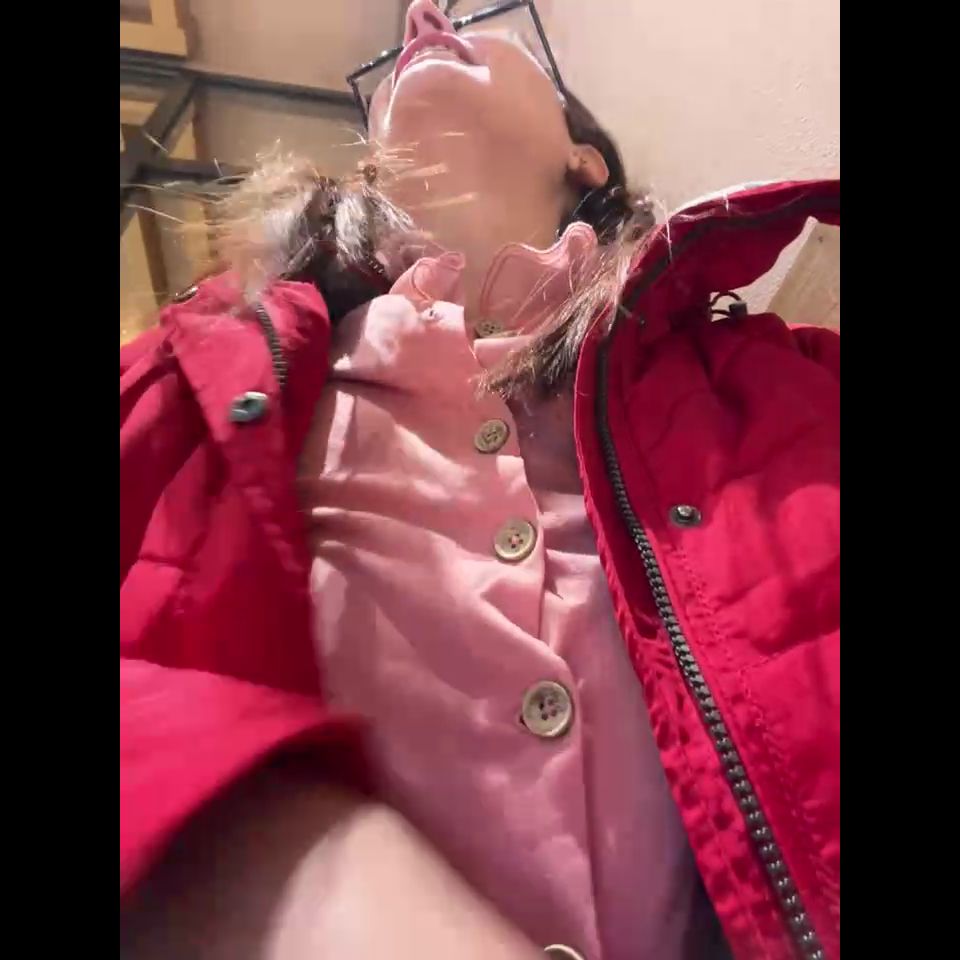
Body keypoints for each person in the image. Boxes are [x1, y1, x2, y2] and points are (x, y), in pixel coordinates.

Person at [119, 1, 840, 958]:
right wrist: (266, 857)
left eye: (483, 22)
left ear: (587, 158)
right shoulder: (173, 381)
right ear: (370, 173)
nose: (424, 12)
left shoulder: (790, 379)